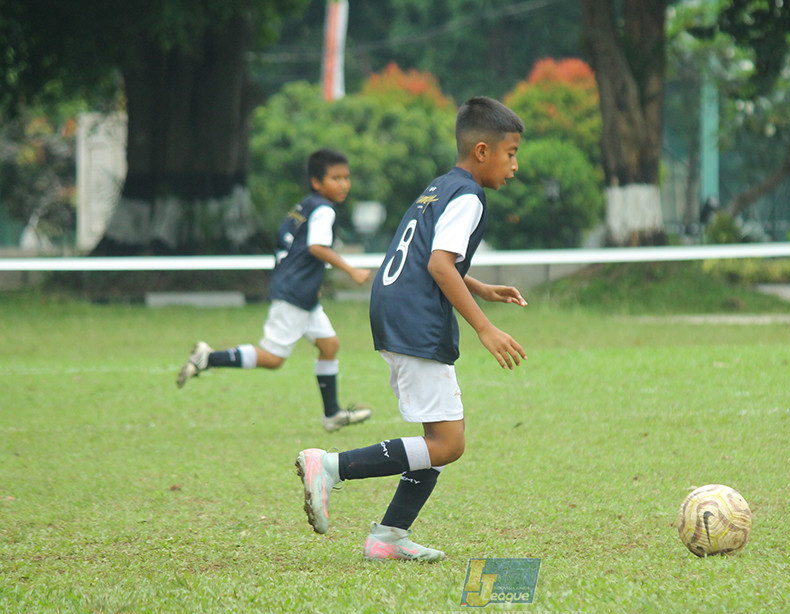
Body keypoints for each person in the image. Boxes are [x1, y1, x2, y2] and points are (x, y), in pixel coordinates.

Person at [295, 97, 527, 562]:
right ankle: (332, 466)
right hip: (417, 317)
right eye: (511, 153)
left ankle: (390, 536)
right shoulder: (469, 196)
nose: (515, 166)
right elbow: (439, 264)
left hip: (395, 308)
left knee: (435, 439)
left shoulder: (440, 187)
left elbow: (429, 256)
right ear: (482, 151)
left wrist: (479, 287)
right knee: (448, 443)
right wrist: (484, 328)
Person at [176, 148, 373, 434]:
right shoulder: (324, 210)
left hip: (298, 291)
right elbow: (316, 248)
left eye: (346, 177)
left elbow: (286, 244)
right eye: (336, 178)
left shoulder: (303, 207)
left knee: (329, 345)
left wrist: (308, 283)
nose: (344, 184)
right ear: (316, 182)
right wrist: (351, 270)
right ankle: (209, 358)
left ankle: (332, 414)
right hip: (295, 293)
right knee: (273, 358)